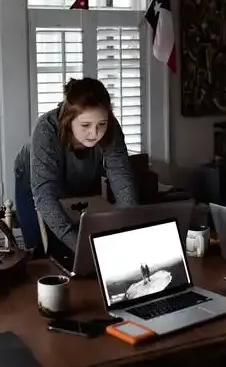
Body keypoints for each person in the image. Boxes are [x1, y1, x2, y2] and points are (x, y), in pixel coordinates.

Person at [13, 78, 138, 266]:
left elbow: (121, 176)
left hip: (80, 174)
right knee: (41, 251)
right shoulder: (46, 130)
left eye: (101, 124)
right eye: (85, 125)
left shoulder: (111, 128)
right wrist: (83, 248)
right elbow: (45, 196)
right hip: (33, 180)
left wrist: (132, 228)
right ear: (68, 119)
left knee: (85, 238)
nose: (95, 133)